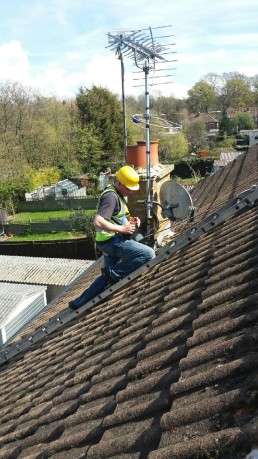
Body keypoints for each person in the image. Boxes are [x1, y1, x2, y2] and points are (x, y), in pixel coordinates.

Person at [69, 165, 156, 310]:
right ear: (120, 183)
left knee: (106, 278)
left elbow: (116, 217)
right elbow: (98, 221)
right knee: (148, 254)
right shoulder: (110, 197)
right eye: (128, 188)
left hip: (110, 241)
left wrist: (131, 221)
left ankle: (78, 302)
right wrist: (122, 228)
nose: (130, 191)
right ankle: (113, 274)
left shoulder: (117, 194)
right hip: (111, 241)